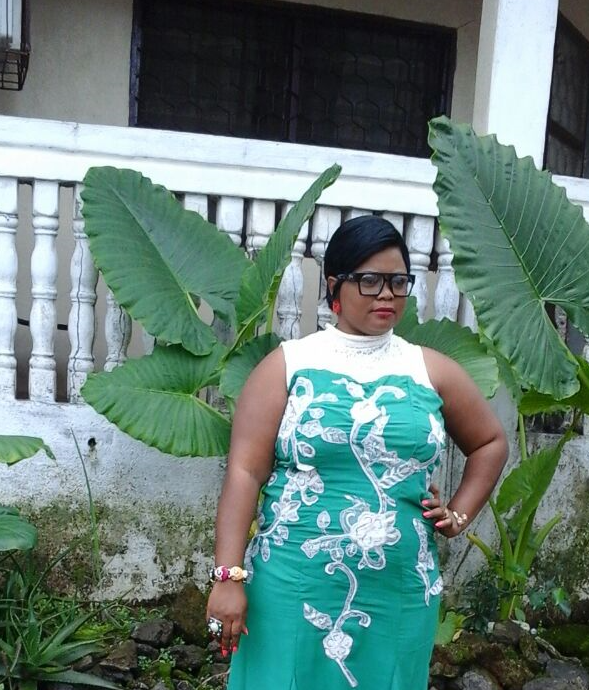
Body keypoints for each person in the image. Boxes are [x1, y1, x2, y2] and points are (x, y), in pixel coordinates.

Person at [206, 216, 508, 690]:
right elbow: (244, 472)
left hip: (400, 591)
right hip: (293, 583)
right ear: (334, 285)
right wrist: (228, 576)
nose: (386, 294)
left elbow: (490, 443)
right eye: (369, 281)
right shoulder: (288, 365)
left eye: (398, 282)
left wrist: (459, 515)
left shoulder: (430, 370)